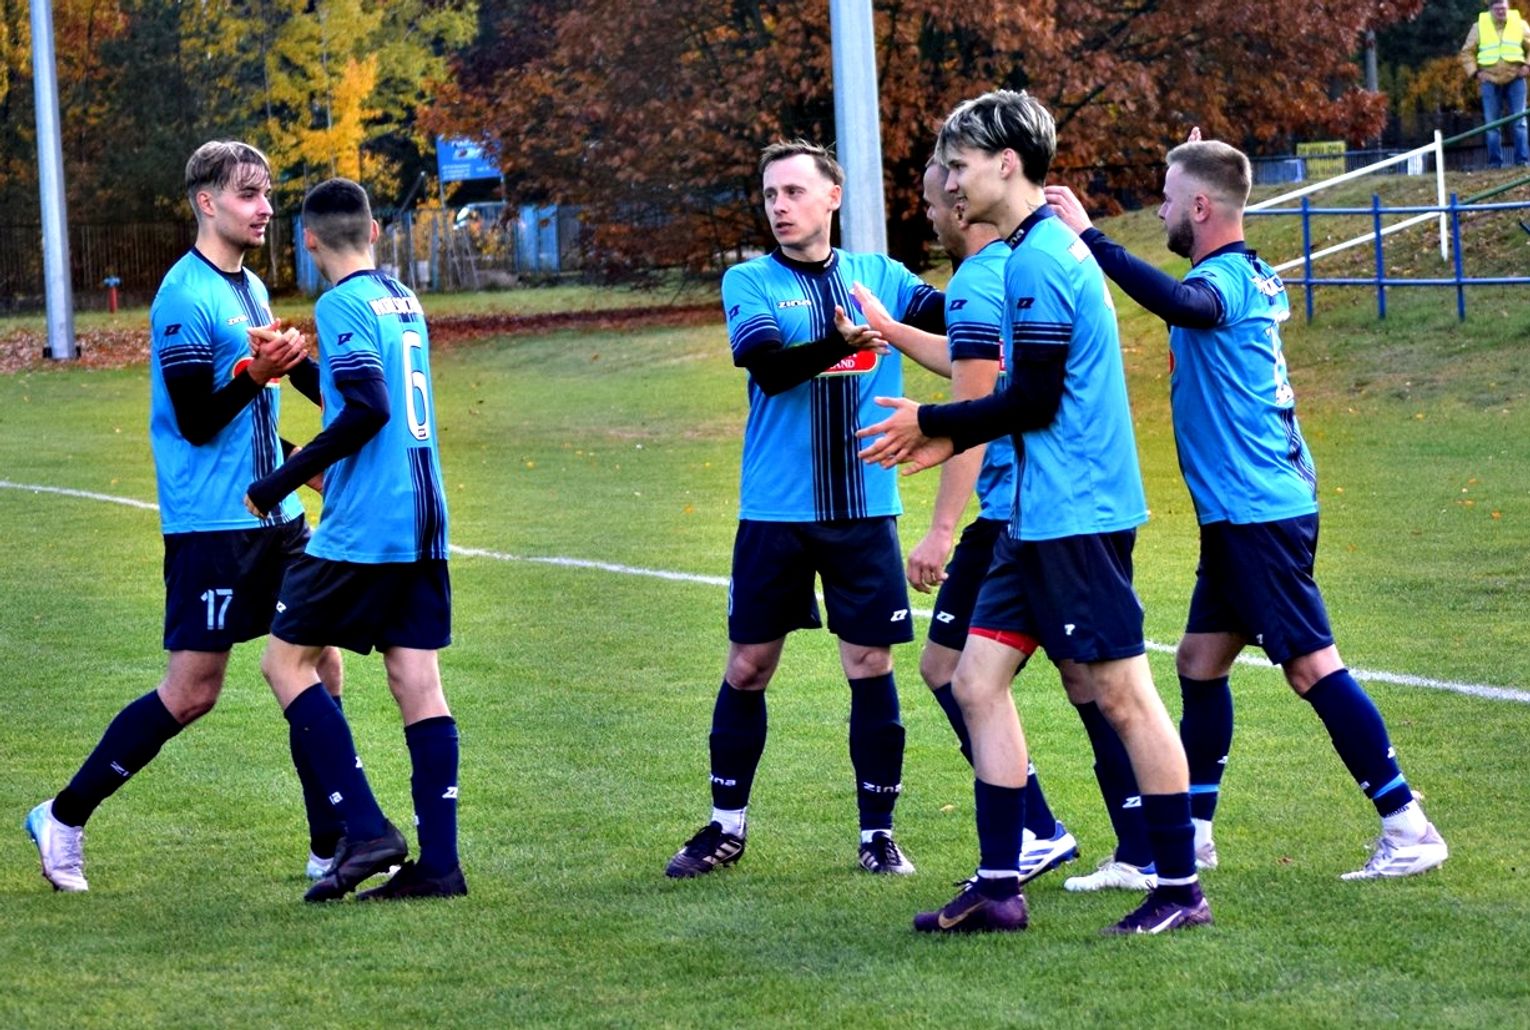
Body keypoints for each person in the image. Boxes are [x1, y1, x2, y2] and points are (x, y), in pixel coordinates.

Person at [1044, 136, 1449, 881]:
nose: (1159, 210)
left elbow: (1184, 305)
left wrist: (1090, 239)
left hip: (1257, 510)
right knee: (1199, 664)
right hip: (1247, 510)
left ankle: (1407, 825)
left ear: (1200, 207)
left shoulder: (1223, 280)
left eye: (1168, 197)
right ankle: (1194, 832)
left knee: (1311, 667)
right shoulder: (1251, 271)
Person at [858, 90, 1211, 935]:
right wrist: (946, 432)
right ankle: (999, 886)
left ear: (1007, 163)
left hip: (1077, 514)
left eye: (961, 165)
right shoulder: (1023, 255)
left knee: (1122, 694)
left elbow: (1036, 398)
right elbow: (1015, 395)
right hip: (1032, 515)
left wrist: (934, 423)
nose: (950, 183)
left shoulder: (1043, 259)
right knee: (973, 682)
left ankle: (1178, 889)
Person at [24, 140, 345, 892]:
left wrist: (315, 453)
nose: (265, 208)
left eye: (268, 194)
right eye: (249, 194)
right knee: (194, 692)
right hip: (211, 527)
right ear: (207, 202)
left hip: (277, 517)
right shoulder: (182, 296)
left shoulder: (252, 289)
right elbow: (199, 421)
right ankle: (63, 816)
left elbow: (263, 414)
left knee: (320, 665)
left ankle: (331, 845)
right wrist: (256, 373)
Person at [664, 140, 946, 880]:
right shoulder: (749, 280)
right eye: (770, 195)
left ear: (832, 198)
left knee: (870, 663)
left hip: (864, 509)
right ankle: (726, 827)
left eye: (793, 191)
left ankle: (878, 835)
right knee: (748, 666)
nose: (780, 207)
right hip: (776, 512)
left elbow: (958, 318)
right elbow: (767, 367)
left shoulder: (882, 277)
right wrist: (835, 343)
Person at [850, 159, 1113, 888]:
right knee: (1084, 677)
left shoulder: (977, 279)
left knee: (970, 675)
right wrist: (891, 329)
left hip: (1012, 513)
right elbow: (979, 366)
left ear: (961, 205)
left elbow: (970, 409)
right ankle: (1137, 843)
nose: (932, 212)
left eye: (934, 200)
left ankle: (1045, 833)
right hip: (1048, 505)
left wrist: (939, 530)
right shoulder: (1017, 266)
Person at [244, 177, 464, 902]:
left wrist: (279, 479)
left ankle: (367, 831)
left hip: (366, 524)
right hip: (424, 515)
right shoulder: (401, 297)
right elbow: (359, 392)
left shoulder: (338, 304)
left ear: (307, 241)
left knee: (286, 664)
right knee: (416, 679)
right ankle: (440, 867)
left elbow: (367, 409)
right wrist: (296, 367)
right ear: (373, 232)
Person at [1460, 0, 1530, 168]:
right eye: (1497, 9)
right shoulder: (1479, 27)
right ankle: (1494, 163)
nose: (1501, 12)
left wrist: (1527, 66)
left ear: (1508, 8)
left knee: (1519, 122)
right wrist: (1476, 73)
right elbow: (1467, 52)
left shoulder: (1519, 24)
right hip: (1489, 80)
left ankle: (1522, 161)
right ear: (1490, 10)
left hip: (1515, 77)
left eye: (1503, 9)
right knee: (1492, 124)